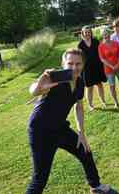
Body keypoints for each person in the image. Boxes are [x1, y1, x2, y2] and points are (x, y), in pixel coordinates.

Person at [26, 48, 114, 194]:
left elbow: (79, 106)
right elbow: (34, 89)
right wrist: (39, 88)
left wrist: (81, 132)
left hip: (60, 128)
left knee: (85, 152)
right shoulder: (54, 78)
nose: (74, 67)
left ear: (83, 64)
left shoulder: (80, 82)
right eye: (70, 63)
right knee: (40, 178)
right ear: (63, 64)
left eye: (78, 64)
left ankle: (96, 186)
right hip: (41, 131)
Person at [99, 26, 119, 108]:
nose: (106, 35)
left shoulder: (115, 43)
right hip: (109, 69)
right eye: (104, 34)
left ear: (109, 34)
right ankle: (116, 102)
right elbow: (102, 59)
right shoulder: (101, 46)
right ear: (102, 35)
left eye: (107, 33)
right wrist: (112, 66)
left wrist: (118, 64)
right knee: (112, 86)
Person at [78, 26, 107, 111]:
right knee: (89, 87)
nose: (87, 33)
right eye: (85, 32)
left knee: (99, 85)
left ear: (91, 33)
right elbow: (80, 58)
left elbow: (100, 53)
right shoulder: (80, 45)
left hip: (97, 67)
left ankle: (103, 101)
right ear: (82, 34)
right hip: (87, 69)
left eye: (89, 32)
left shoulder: (95, 41)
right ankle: (90, 105)